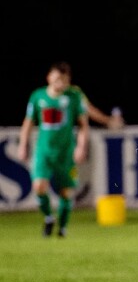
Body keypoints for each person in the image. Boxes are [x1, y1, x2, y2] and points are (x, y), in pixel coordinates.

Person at [17, 61, 90, 237]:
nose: (61, 83)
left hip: (66, 152)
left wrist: (81, 146)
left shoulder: (73, 97)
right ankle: (49, 217)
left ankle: (62, 228)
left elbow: (83, 125)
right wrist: (23, 144)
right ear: (49, 77)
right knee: (39, 186)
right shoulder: (38, 96)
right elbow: (28, 123)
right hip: (44, 150)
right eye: (57, 78)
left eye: (64, 80)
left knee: (66, 192)